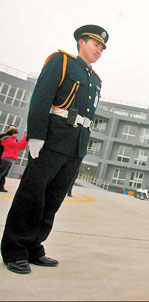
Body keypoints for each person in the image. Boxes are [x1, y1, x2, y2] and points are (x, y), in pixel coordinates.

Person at [1, 24, 109, 274]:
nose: (99, 51)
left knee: (52, 200)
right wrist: (36, 135)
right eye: (96, 45)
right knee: (32, 195)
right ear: (81, 42)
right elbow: (41, 97)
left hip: (76, 145)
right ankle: (15, 249)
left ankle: (33, 246)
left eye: (103, 48)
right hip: (52, 139)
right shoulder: (61, 62)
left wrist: (81, 147)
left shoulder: (95, 80)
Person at [0, 125, 17, 192]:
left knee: (4, 173)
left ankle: (1, 186)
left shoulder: (15, 139)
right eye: (11, 129)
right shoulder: (3, 137)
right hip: (2, 156)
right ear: (8, 129)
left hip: (9, 158)